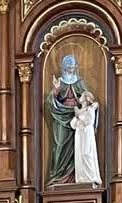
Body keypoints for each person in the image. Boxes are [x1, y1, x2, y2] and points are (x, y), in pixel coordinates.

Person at [47, 53, 90, 186]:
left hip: (77, 117)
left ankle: (76, 176)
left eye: (73, 67)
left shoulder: (79, 82)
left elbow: (88, 98)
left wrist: (90, 105)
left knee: (77, 146)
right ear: (64, 67)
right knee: (60, 144)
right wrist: (55, 91)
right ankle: (58, 176)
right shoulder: (60, 82)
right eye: (69, 67)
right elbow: (50, 101)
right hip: (61, 116)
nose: (71, 69)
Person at [72, 91, 102, 187]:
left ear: (86, 98)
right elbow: (72, 125)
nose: (79, 97)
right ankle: (81, 178)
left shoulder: (90, 109)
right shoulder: (80, 110)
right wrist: (76, 116)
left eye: (81, 96)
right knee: (79, 156)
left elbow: (89, 121)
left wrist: (79, 115)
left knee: (86, 154)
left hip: (87, 134)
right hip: (79, 135)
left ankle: (91, 177)